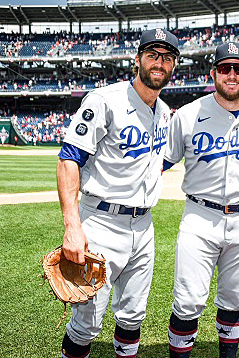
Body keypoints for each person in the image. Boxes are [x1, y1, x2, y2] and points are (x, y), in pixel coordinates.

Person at [56, 28, 179, 358]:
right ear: (137, 60)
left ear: (174, 67)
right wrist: (72, 227)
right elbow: (69, 159)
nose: (159, 63)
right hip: (100, 223)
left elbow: (154, 163)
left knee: (133, 315)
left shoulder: (164, 111)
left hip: (144, 225)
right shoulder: (104, 100)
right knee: (87, 321)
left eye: (167, 57)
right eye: (152, 55)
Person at [164, 42, 239, 358]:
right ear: (213, 73)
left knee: (235, 298)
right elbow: (160, 162)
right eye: (225, 68)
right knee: (188, 300)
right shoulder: (187, 115)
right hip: (200, 216)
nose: (232, 75)